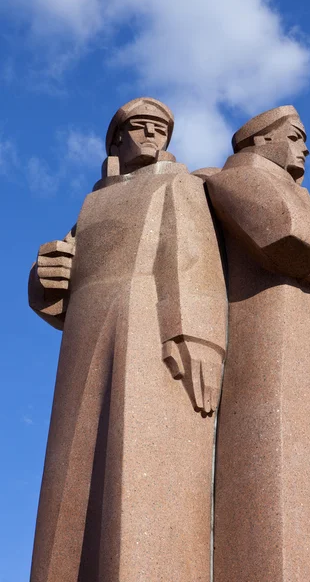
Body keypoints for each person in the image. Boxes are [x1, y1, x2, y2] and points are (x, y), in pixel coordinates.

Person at [28, 97, 227, 582]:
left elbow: (192, 259)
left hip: (147, 324)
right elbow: (64, 277)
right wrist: (44, 282)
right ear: (116, 138)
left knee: (139, 462)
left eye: (161, 128)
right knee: (72, 475)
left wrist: (196, 335)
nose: (152, 134)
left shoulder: (179, 185)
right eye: (140, 126)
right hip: (85, 333)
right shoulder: (93, 202)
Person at [206, 105, 310, 582]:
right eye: (296, 136)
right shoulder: (238, 180)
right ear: (260, 140)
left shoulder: (306, 200)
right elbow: (284, 233)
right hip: (270, 342)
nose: (305, 149)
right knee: (278, 480)